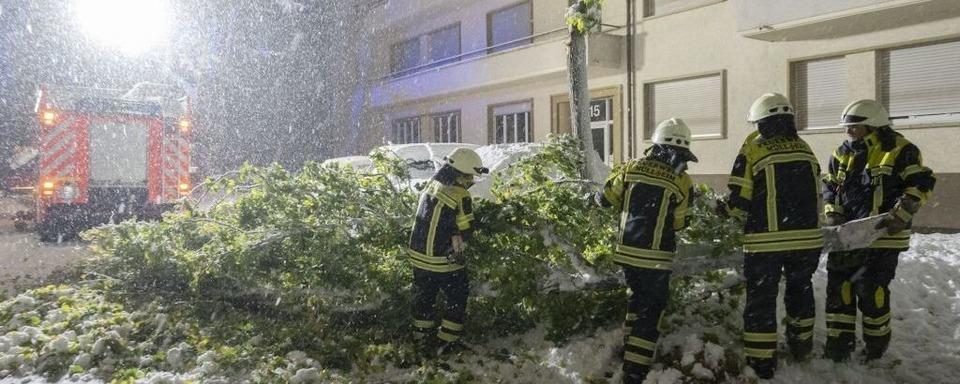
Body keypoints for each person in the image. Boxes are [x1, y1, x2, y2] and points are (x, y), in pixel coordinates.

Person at [821, 99, 935, 362]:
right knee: (839, 291)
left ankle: (875, 347)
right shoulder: (841, 153)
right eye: (847, 127)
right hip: (847, 237)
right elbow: (830, 187)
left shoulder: (901, 150)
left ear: (873, 126)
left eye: (855, 127)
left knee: (870, 290)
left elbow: (919, 184)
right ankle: (838, 347)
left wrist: (902, 213)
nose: (849, 132)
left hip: (883, 236)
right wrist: (832, 213)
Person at [717, 93, 822, 379]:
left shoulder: (754, 148)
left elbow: (739, 199)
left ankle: (762, 361)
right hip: (808, 240)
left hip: (767, 242)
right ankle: (801, 346)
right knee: (800, 290)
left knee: (762, 299)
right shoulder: (804, 147)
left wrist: (723, 212)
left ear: (763, 122)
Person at [595, 118, 696, 384]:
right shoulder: (682, 181)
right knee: (652, 309)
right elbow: (679, 222)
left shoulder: (631, 167)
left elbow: (606, 198)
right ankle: (635, 370)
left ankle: (629, 348)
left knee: (637, 299)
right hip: (657, 257)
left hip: (626, 252)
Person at [407, 147, 488, 357]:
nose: (471, 180)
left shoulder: (432, 185)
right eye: (470, 176)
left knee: (425, 296)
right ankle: (447, 342)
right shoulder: (460, 194)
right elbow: (466, 229)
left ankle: (421, 339)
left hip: (418, 256)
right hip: (442, 259)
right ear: (462, 173)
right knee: (458, 295)